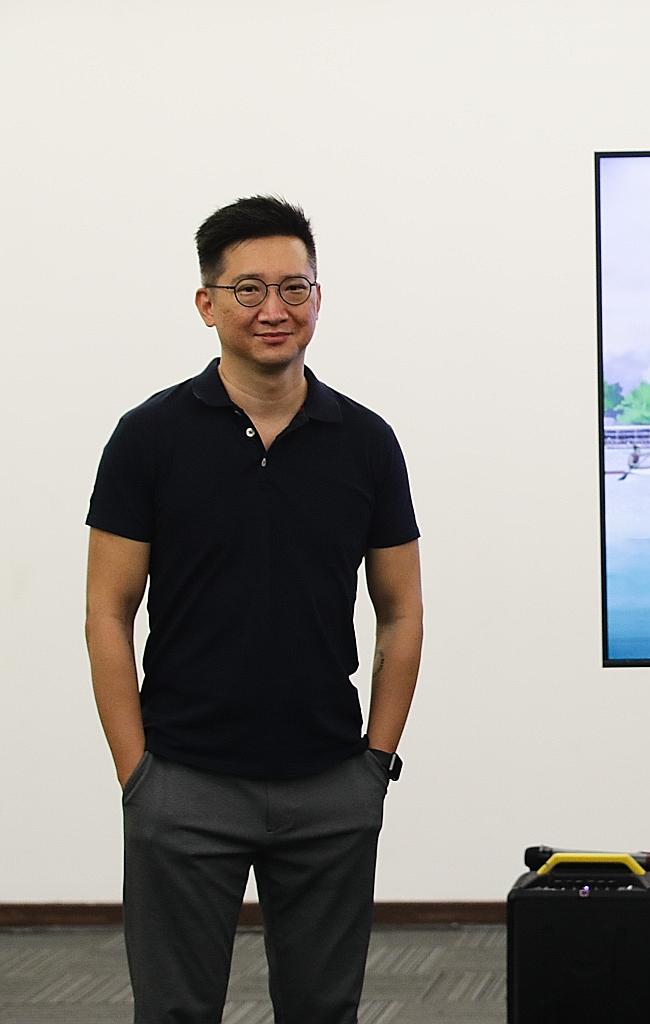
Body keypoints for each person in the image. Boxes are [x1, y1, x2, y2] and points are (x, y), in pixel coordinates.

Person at [84, 196, 424, 1023]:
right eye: (248, 289)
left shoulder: (366, 442)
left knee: (323, 1009)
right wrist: (139, 777)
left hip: (329, 785)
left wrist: (373, 765)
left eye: (294, 288)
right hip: (184, 782)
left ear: (317, 297)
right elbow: (106, 610)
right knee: (174, 1012)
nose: (275, 309)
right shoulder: (149, 438)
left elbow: (402, 611)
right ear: (207, 304)